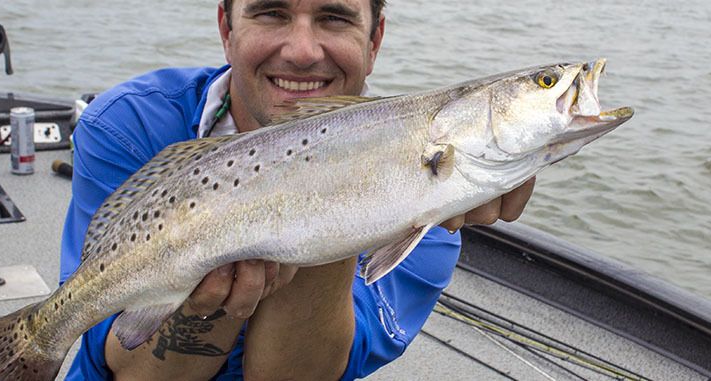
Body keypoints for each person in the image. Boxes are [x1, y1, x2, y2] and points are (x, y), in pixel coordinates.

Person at [59, 0, 536, 379]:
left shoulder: (433, 211)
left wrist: (337, 200)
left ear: (375, 40)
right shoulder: (129, 125)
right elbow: (126, 371)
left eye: (334, 17)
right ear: (227, 29)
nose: (303, 51)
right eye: (271, 11)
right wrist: (206, 297)